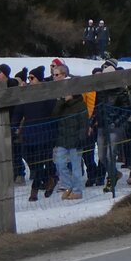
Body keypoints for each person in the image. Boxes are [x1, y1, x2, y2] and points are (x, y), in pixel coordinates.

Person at [15, 66, 57, 201]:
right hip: (29, 134)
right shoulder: (26, 94)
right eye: (29, 78)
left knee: (43, 161)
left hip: (45, 133)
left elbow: (54, 113)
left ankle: (35, 189)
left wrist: (54, 130)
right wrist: (13, 126)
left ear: (39, 79)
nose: (29, 80)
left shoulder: (47, 94)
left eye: (32, 78)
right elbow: (18, 112)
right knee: (30, 158)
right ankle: (50, 177)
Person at [50, 64, 88, 200]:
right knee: (59, 164)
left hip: (75, 139)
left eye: (56, 75)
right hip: (62, 138)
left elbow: (84, 122)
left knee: (76, 167)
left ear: (64, 75)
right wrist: (61, 102)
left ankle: (77, 190)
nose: (54, 77)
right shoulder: (59, 97)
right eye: (53, 75)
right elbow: (54, 115)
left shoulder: (79, 102)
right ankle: (67, 186)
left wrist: (81, 138)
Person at [92, 59, 131, 193]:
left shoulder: (121, 91)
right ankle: (115, 173)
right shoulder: (101, 92)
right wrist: (93, 121)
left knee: (110, 155)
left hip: (115, 126)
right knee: (102, 157)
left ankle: (111, 179)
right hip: (102, 126)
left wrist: (117, 122)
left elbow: (127, 110)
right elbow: (96, 108)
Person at [0, 64, 26, 184]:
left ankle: (19, 173)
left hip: (14, 121)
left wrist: (17, 123)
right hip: (0, 122)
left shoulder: (13, 85)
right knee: (3, 150)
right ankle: (8, 174)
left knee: (15, 149)